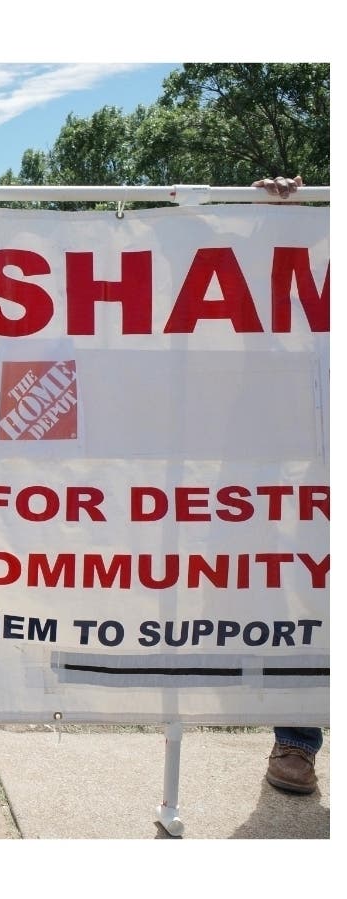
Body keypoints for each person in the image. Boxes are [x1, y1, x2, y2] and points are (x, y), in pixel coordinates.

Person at [251, 172, 323, 795]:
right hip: (315, 454)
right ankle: (297, 738)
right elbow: (269, 328)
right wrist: (278, 221)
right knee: (305, 582)